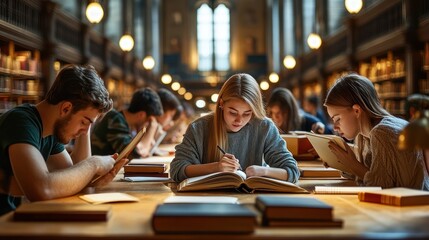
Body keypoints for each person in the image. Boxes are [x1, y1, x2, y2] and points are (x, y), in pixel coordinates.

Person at [0, 64, 122, 215]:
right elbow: (41, 189)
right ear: (65, 108)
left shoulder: (51, 132)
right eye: (84, 122)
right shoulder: (21, 122)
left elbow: (73, 177)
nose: (85, 131)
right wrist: (94, 164)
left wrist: (93, 180)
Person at [170, 73, 300, 183]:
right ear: (221, 103)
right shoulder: (198, 128)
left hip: (253, 200)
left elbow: (292, 171)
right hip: (206, 199)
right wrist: (216, 167)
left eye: (247, 114)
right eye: (233, 112)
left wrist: (263, 171)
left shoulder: (264, 127)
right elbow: (177, 169)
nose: (239, 120)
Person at [324, 73, 428, 190]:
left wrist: (352, 164)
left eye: (337, 119)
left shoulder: (382, 133)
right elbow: (371, 174)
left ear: (357, 110)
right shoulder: (364, 135)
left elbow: (381, 186)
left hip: (415, 205)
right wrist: (341, 162)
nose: (335, 127)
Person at [91, 87, 163, 159]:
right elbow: (136, 155)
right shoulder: (115, 119)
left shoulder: (127, 124)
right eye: (149, 121)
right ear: (141, 115)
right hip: (100, 169)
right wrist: (152, 128)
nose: (148, 124)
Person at [138, 88, 183, 156]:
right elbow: (141, 153)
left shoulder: (154, 125)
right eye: (171, 115)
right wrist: (152, 127)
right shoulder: (145, 123)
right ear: (161, 110)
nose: (171, 122)